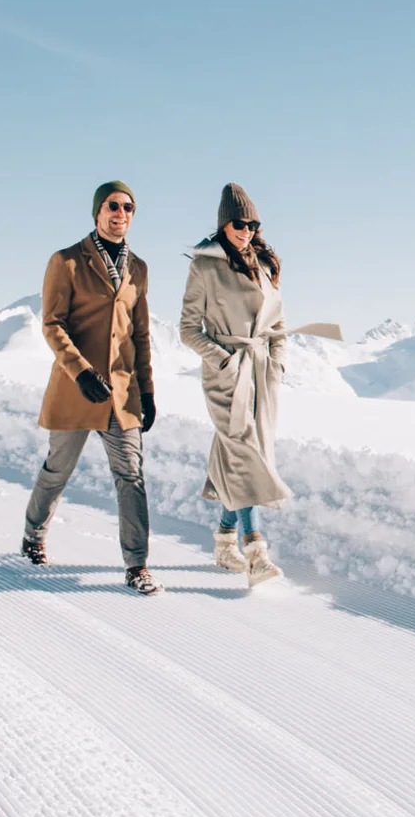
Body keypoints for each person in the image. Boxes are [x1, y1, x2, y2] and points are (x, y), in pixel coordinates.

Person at [22, 180, 160, 594]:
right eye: (113, 207)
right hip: (76, 389)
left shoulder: (139, 268)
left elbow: (140, 334)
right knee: (58, 469)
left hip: (122, 393)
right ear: (98, 212)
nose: (121, 214)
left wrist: (148, 391)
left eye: (129, 208)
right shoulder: (66, 261)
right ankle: (33, 535)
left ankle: (137, 565)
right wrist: (80, 371)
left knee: (131, 476)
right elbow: (52, 325)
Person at [180, 183, 290, 586]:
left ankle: (224, 539)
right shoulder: (205, 266)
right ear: (224, 224)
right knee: (244, 453)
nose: (246, 230)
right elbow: (188, 329)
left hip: (261, 373)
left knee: (243, 453)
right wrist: (223, 360)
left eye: (253, 223)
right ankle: (256, 549)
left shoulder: (263, 264)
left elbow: (278, 323)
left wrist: (276, 362)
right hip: (226, 376)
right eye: (239, 223)